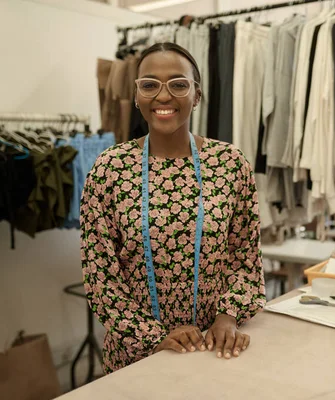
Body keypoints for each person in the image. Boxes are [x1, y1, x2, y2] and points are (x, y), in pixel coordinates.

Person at [80, 42, 266, 374]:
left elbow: (245, 257)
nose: (163, 96)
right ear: (137, 96)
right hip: (135, 357)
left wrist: (228, 316)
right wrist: (155, 336)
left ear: (196, 95)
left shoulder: (229, 164)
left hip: (215, 348)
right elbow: (100, 276)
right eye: (149, 85)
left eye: (178, 84)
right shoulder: (110, 168)